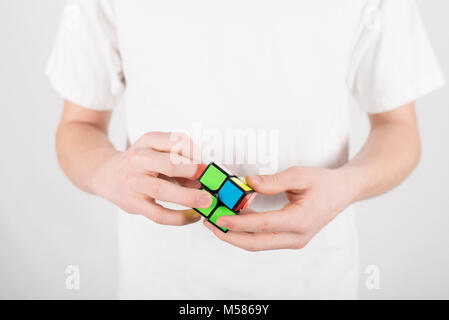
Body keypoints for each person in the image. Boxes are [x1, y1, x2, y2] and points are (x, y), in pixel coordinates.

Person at [47, 0, 444, 299]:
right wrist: (107, 171)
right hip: (159, 285)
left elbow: (400, 129)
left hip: (317, 282)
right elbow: (78, 126)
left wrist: (347, 185)